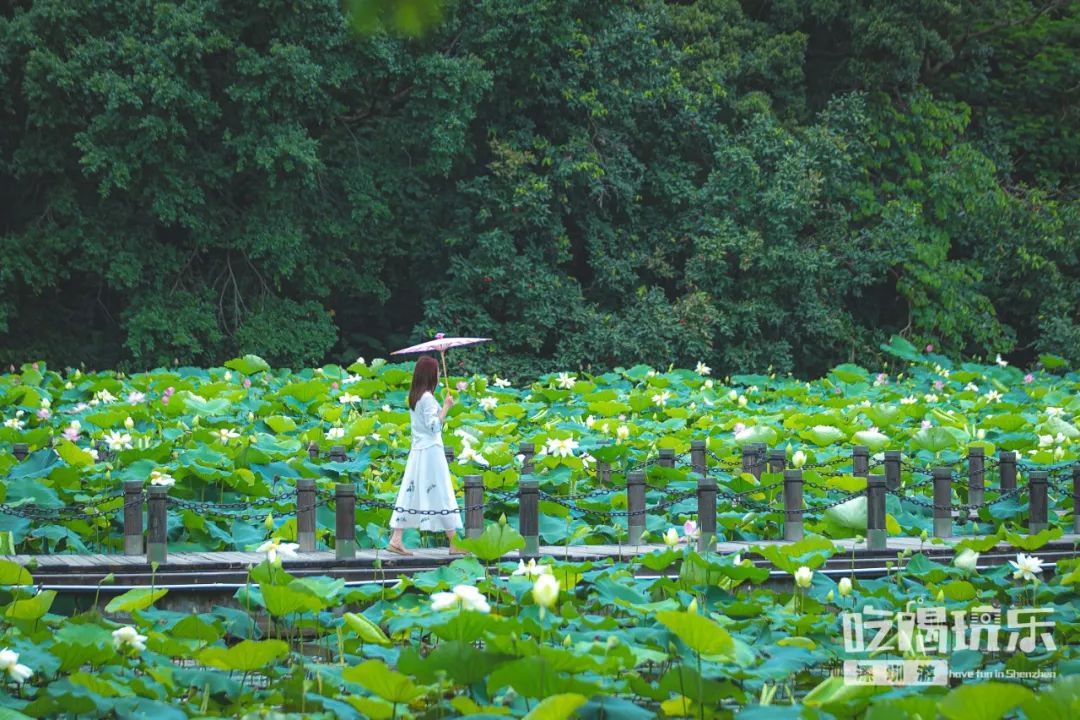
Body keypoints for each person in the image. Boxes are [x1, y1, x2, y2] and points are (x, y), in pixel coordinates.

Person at [386, 355, 465, 555]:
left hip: (418, 451)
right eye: (437, 371)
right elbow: (434, 426)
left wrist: (443, 404)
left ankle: (396, 538)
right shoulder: (428, 398)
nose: (439, 375)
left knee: (410, 491)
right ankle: (454, 543)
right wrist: (446, 407)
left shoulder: (416, 396)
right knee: (442, 491)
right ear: (431, 374)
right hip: (431, 452)